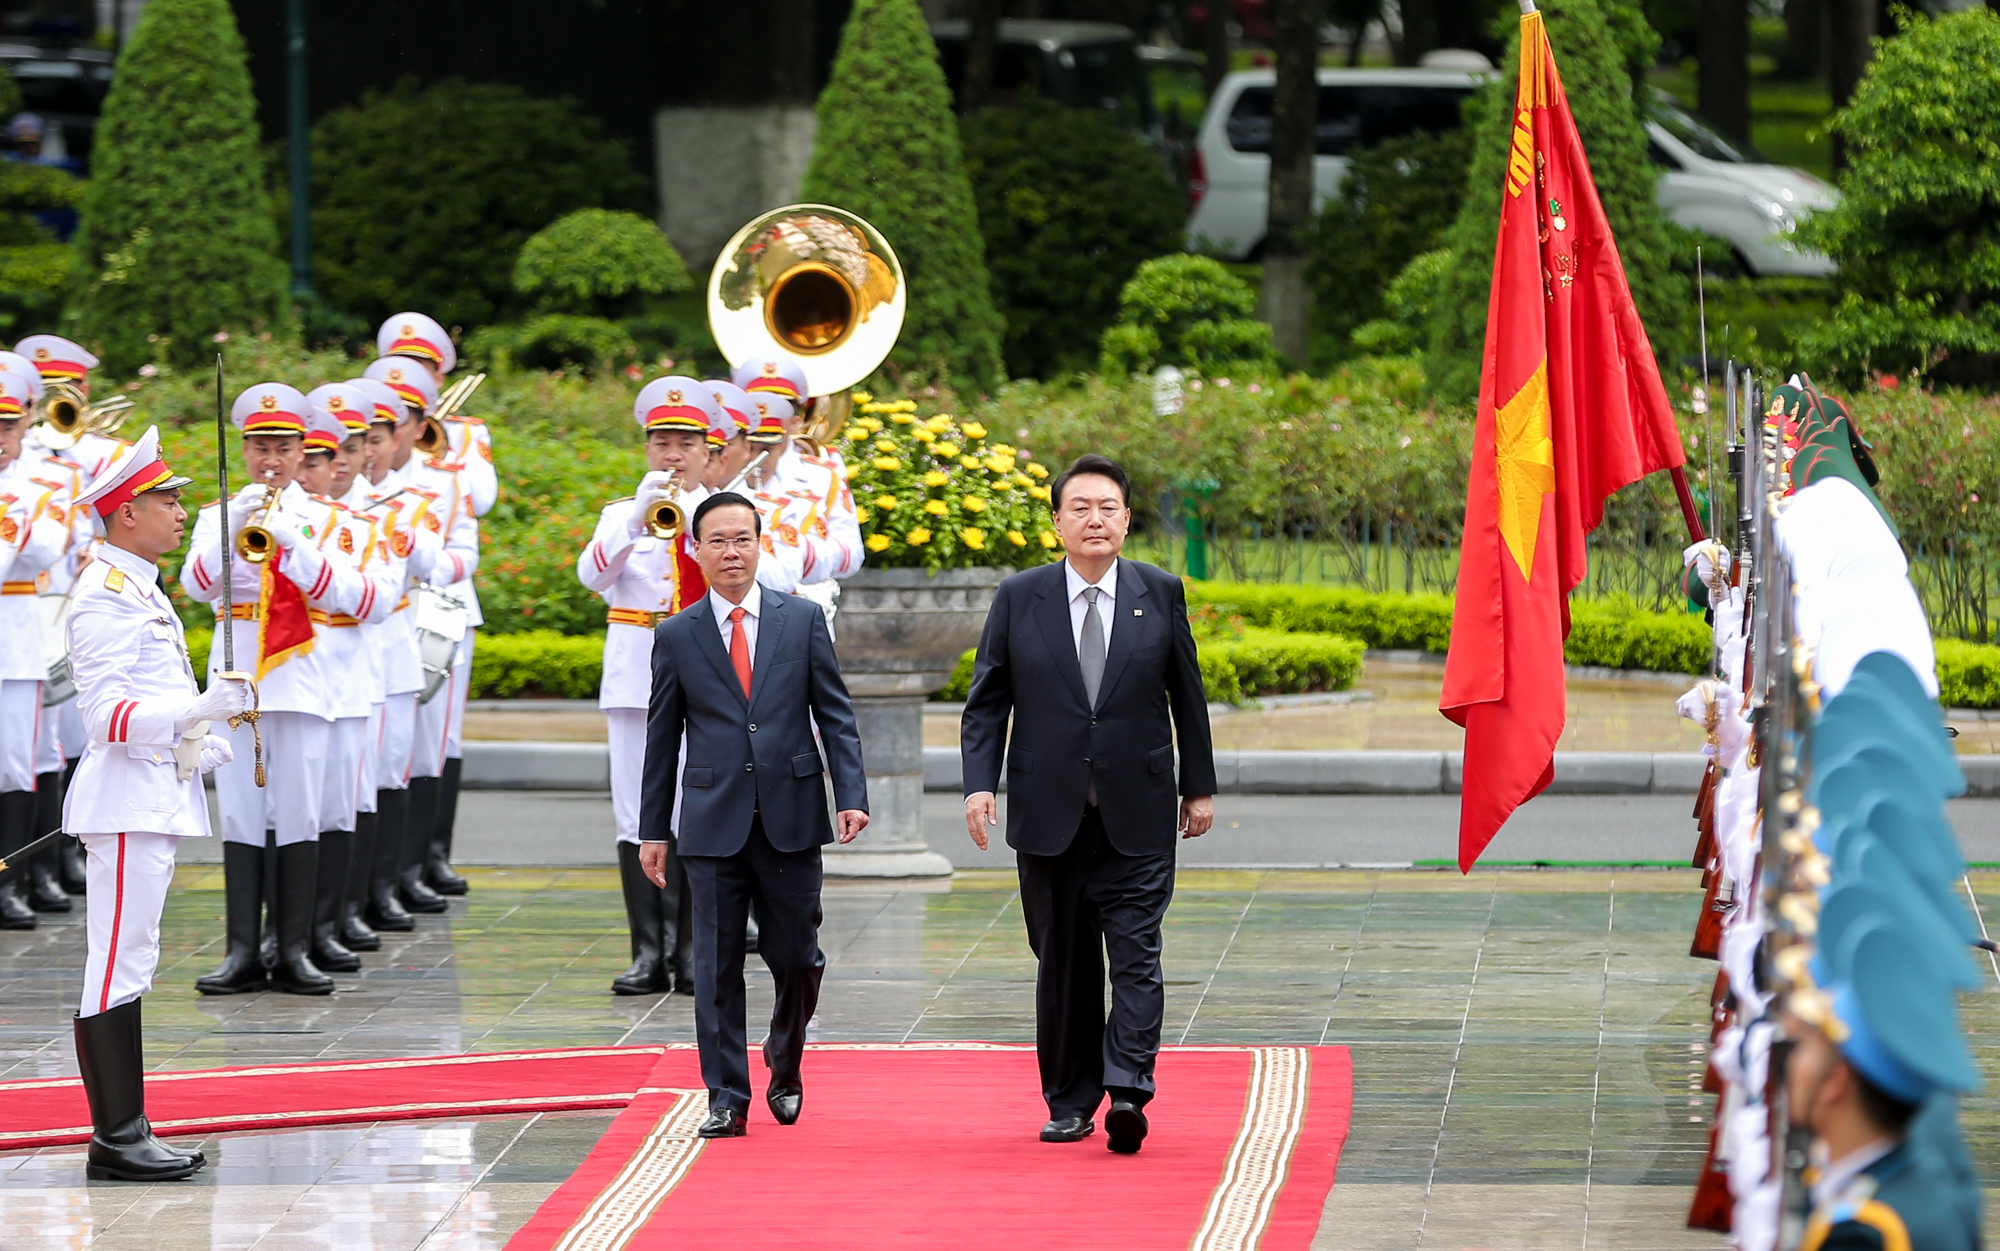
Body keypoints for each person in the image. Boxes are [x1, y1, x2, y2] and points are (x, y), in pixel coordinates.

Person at [960, 453, 1217, 1154]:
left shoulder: (1159, 591)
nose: (1095, 518)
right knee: (1064, 962)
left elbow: (1186, 696)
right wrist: (980, 783)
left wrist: (1199, 785)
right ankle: (1070, 1100)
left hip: (1138, 810)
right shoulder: (1021, 597)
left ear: (1128, 520)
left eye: (1108, 506)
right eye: (1080, 507)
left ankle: (1129, 1087)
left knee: (1136, 954)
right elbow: (987, 703)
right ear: (1056, 522)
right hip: (1050, 817)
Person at [639, 491, 869, 1138]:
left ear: (759, 542)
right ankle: (726, 1095)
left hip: (791, 813)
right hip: (711, 821)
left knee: (798, 954)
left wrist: (850, 792)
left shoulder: (799, 620)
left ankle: (784, 1056)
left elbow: (836, 714)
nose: (731, 551)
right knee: (713, 964)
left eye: (742, 538)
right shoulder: (676, 634)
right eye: (717, 540)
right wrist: (654, 827)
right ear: (696, 549)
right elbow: (662, 740)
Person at [65, 426, 245, 1179]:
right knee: (115, 961)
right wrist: (193, 709)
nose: (180, 509)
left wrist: (201, 732)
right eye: (166, 498)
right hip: (127, 799)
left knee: (133, 957)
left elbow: (154, 699)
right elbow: (102, 716)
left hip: (152, 792)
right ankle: (116, 1134)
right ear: (126, 510)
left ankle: (128, 1125)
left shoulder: (140, 585)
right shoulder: (105, 596)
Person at [182, 383, 361, 997]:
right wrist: (236, 522)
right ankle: (240, 952)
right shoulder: (217, 516)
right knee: (241, 813)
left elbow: (346, 597)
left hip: (303, 680)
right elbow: (198, 584)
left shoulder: (327, 520)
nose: (271, 461)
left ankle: (293, 948)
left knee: (299, 812)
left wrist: (291, 539)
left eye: (283, 448)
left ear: (301, 450)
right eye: (260, 447)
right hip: (237, 678)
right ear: (245, 449)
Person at [576, 376, 717, 996]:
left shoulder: (723, 509)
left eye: (684, 442)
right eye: (661, 441)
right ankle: (646, 951)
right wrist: (637, 519)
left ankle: (691, 951)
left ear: (707, 450)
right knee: (635, 809)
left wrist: (693, 525)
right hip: (636, 677)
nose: (672, 454)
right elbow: (592, 577)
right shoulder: (621, 515)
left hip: (705, 678)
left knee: (694, 809)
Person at [363, 354, 477, 906]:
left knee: (428, 745)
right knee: (378, 752)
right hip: (379, 616)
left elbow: (463, 557)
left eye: (406, 415)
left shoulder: (444, 480)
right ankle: (384, 876)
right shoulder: (347, 479)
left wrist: (427, 564)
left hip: (433, 614)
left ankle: (418, 860)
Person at [0, 371, 78, 929]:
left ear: (26, 420)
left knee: (14, 765)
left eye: (7, 425)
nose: (1, 436)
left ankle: (8, 883)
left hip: (15, 637)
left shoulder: (40, 483)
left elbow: (49, 547)